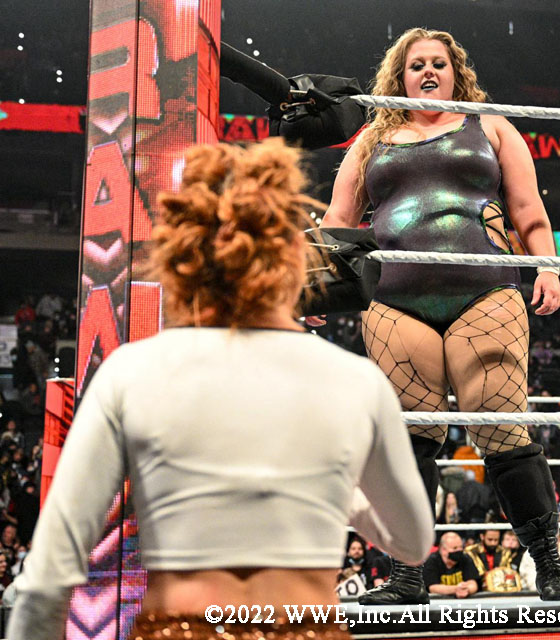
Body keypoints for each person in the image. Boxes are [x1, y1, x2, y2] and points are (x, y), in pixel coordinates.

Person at [7, 139, 433, 640]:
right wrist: (347, 496)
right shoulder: (355, 381)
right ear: (294, 256)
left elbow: (49, 574)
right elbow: (412, 541)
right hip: (304, 628)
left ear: (182, 258)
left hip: (179, 629)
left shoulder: (133, 373)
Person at [310, 27, 560, 602]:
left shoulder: (490, 125)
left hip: (486, 292)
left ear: (456, 72)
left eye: (438, 63)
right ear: (399, 76)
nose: (428, 71)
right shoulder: (371, 137)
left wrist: (547, 266)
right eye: (416, 65)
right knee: (410, 437)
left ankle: (549, 564)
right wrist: (318, 293)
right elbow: (338, 218)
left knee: (500, 427)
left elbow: (527, 205)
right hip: (396, 301)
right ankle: (407, 577)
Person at [423, 532, 479, 598]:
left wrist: (467, 590)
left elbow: (473, 584)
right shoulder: (431, 561)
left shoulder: (465, 558)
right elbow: (433, 588)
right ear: (443, 550)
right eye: (455, 548)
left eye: (461, 547)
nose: (459, 550)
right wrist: (456, 589)